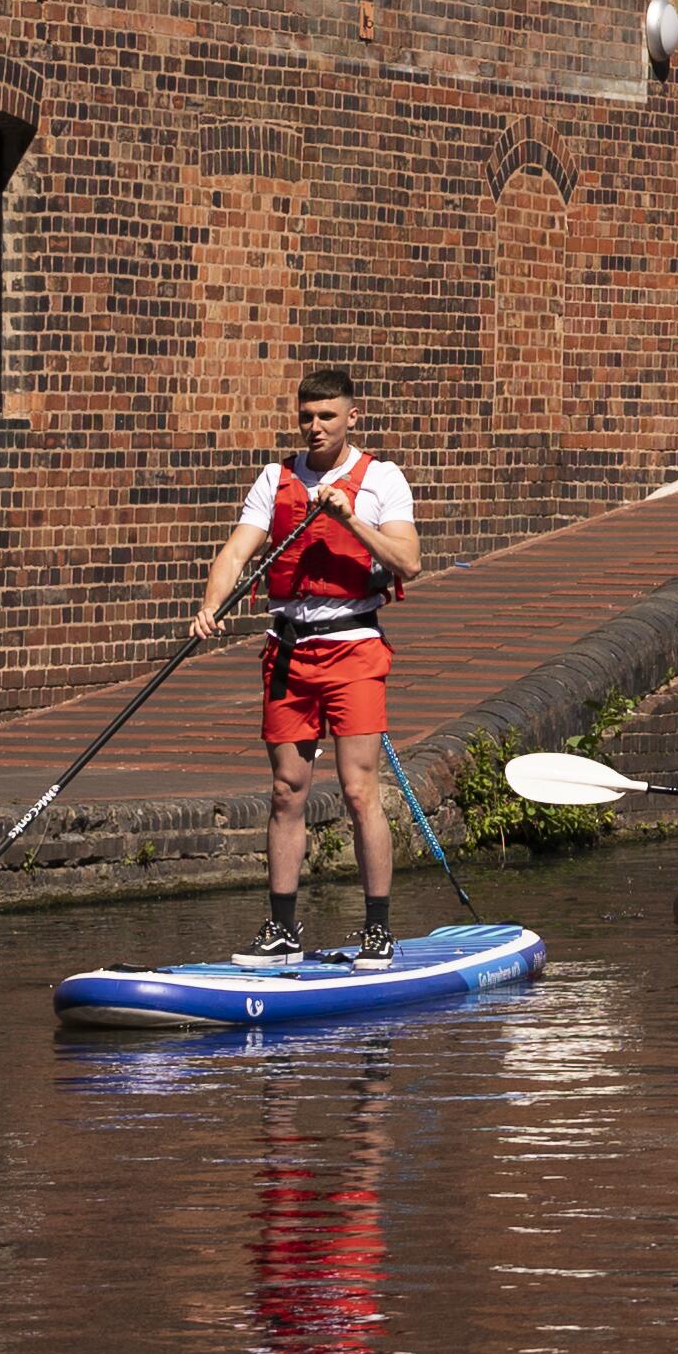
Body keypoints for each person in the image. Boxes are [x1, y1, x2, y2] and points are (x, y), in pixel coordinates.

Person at [191, 366, 424, 966]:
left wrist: (350, 519)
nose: (315, 427)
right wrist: (210, 605)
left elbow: (409, 562)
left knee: (357, 788)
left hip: (353, 647)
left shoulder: (382, 481)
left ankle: (377, 928)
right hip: (289, 651)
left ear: (353, 417)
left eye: (327, 417)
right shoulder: (275, 479)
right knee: (285, 791)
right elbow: (237, 549)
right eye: (306, 417)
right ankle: (283, 931)